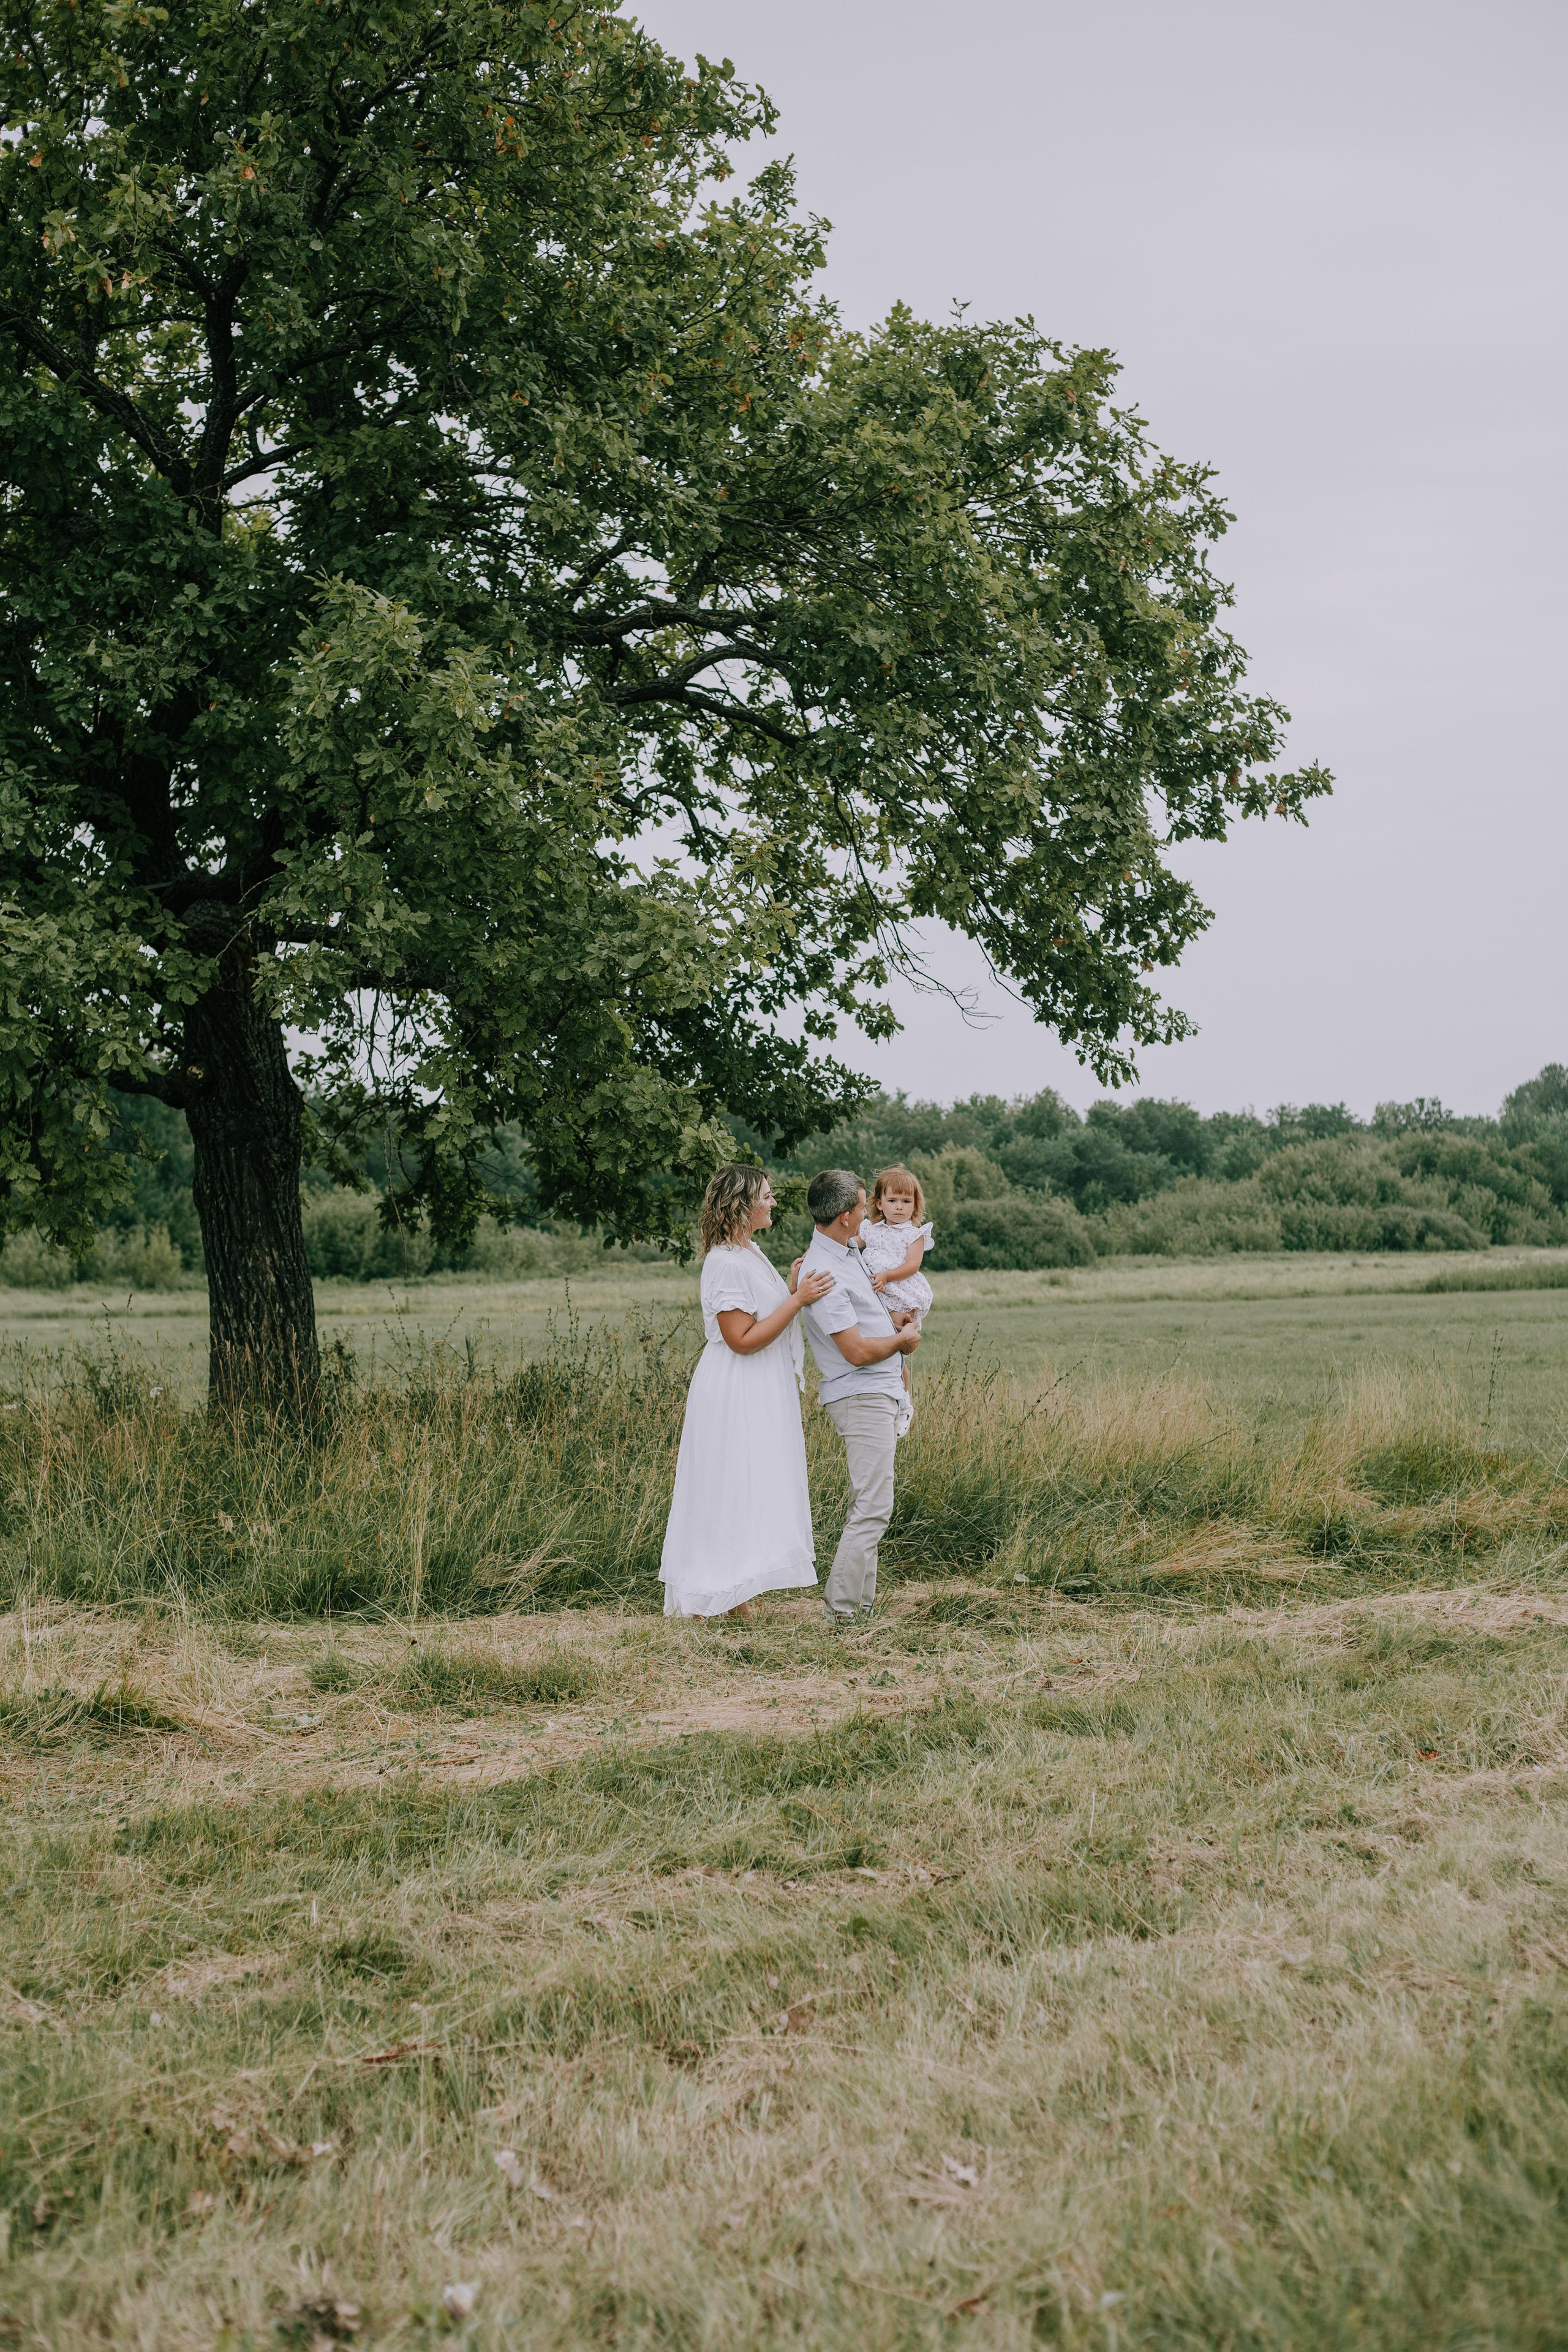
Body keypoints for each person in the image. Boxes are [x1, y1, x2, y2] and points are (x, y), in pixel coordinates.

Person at [660, 1164, 836, 1622]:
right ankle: (706, 1597)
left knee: (748, 1486)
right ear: (743, 1205)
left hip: (759, 1386)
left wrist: (791, 1288)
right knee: (727, 1485)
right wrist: (797, 1301)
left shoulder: (751, 1252)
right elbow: (740, 1338)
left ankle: (735, 1593)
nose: (774, 1201)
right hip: (735, 1388)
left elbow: (764, 1314)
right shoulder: (724, 1262)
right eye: (768, 1195)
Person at [796, 1167, 922, 1629]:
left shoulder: (848, 1253)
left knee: (873, 1502)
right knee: (872, 1505)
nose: (868, 1212)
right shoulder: (824, 1271)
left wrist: (897, 1328)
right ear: (848, 1216)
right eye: (862, 1206)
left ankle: (859, 1608)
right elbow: (855, 1350)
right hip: (860, 1393)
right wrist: (902, 1343)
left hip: (878, 1390)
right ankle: (842, 1612)